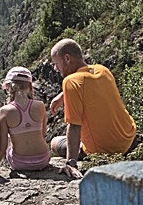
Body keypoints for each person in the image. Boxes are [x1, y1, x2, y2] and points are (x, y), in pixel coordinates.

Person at [48, 38, 136, 173]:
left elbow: (74, 126)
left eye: (56, 63)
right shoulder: (102, 70)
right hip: (128, 139)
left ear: (67, 58)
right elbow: (85, 82)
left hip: (102, 151)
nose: (55, 68)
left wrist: (71, 163)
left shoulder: (70, 82)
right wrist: (62, 95)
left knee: (55, 142)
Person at [0, 66, 52, 173]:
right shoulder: (40, 105)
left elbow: (2, 147)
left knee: (4, 135)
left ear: (8, 87)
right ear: (29, 86)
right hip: (43, 160)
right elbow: (42, 134)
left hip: (19, 163)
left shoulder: (4, 111)